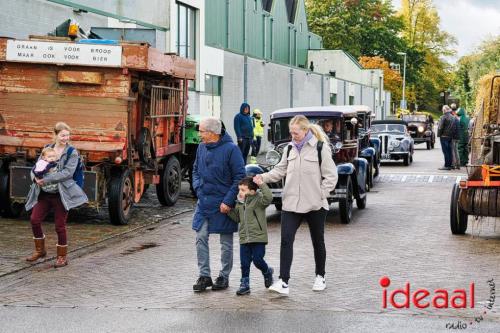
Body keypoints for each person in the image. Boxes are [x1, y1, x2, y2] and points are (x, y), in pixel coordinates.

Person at [253, 115, 338, 295]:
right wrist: (263, 178)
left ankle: (320, 276)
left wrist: (320, 195)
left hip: (315, 204)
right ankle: (284, 281)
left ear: (305, 131)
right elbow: (280, 170)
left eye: (296, 132)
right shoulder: (289, 149)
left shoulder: (320, 148)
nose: (292, 136)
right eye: (291, 132)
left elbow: (331, 177)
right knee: (286, 241)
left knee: (318, 241)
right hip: (291, 203)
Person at [192, 117, 246, 292]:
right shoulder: (201, 148)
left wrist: (228, 200)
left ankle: (224, 276)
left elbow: (239, 176)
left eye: (201, 131)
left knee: (226, 242)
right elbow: (195, 171)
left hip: (223, 204)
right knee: (200, 236)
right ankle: (204, 275)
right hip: (204, 202)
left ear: (212, 133)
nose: (199, 135)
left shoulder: (232, 150)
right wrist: (198, 188)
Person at [25, 122, 88, 267]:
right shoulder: (47, 149)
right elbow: (36, 168)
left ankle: (62, 257)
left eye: (68, 135)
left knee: (59, 226)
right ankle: (40, 250)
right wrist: (34, 177)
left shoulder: (72, 152)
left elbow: (68, 173)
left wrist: (45, 179)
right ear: (55, 135)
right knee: (34, 219)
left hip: (61, 194)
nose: (66, 138)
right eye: (63, 135)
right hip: (44, 194)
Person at [227, 176, 274, 295]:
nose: (240, 193)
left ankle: (267, 271)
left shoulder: (259, 200)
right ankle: (245, 283)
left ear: (252, 192)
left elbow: (269, 198)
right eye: (239, 190)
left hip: (258, 237)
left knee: (258, 260)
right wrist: (229, 211)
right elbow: (237, 218)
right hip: (244, 238)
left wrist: (261, 184)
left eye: (243, 190)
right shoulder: (239, 203)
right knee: (244, 263)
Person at [437, 105, 455, 170]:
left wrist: (439, 135)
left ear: (444, 110)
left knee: (445, 151)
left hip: (444, 136)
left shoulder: (443, 117)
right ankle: (450, 164)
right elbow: (454, 127)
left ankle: (446, 165)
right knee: (450, 151)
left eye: (442, 110)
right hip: (450, 136)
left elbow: (440, 127)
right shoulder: (453, 117)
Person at [450, 103, 461, 169]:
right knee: (456, 150)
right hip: (458, 136)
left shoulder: (452, 117)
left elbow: (452, 128)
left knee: (453, 150)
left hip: (453, 136)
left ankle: (453, 164)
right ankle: (458, 164)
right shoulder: (458, 116)